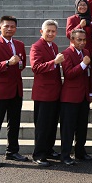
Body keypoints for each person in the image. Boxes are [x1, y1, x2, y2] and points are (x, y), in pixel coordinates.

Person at [0, 16, 28, 168]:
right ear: (0, 28)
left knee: (14, 123)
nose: (9, 29)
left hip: (16, 90)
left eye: (12, 26)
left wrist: (16, 64)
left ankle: (12, 151)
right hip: (0, 90)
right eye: (6, 26)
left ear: (16, 28)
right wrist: (8, 63)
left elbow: (22, 64)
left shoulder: (20, 44)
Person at [30, 20, 64, 167]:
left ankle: (48, 149)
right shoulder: (36, 47)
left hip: (55, 92)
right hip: (43, 93)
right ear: (41, 31)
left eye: (53, 31)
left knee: (51, 124)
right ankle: (39, 154)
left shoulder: (54, 46)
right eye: (48, 31)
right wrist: (54, 62)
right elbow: (36, 67)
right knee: (42, 126)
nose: (50, 33)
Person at [60, 29, 92, 166]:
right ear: (72, 40)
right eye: (79, 39)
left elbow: (89, 75)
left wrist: (91, 93)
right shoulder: (66, 53)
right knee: (68, 128)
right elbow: (68, 74)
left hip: (84, 96)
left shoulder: (86, 52)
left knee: (82, 127)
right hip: (70, 97)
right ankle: (65, 155)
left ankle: (80, 152)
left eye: (84, 40)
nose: (82, 42)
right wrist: (83, 64)